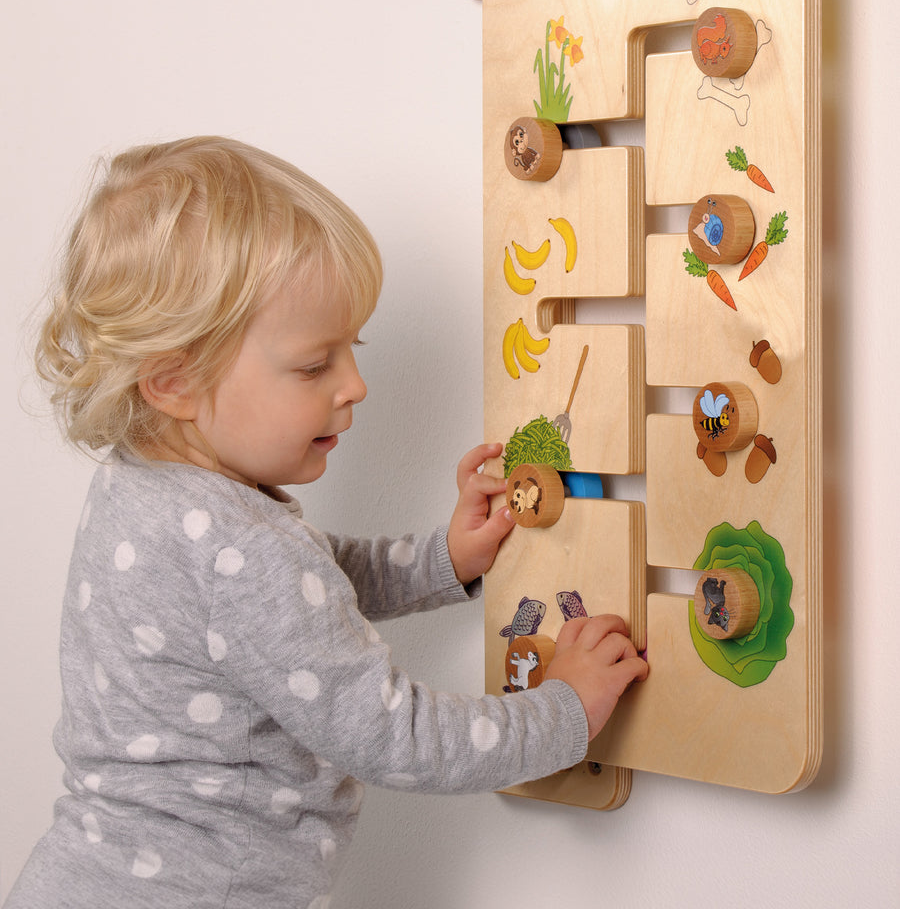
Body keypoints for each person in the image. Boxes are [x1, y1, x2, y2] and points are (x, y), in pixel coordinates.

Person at [6, 137, 648, 908]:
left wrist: (443, 559)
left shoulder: (142, 490)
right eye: (314, 366)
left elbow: (302, 583)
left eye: (355, 350)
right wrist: (564, 711)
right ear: (174, 381)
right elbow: (398, 738)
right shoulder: (242, 550)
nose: (355, 385)